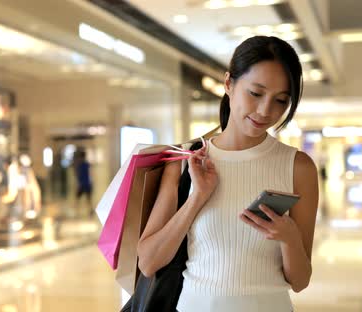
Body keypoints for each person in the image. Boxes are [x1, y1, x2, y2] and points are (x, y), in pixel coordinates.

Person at [136, 36, 319, 311]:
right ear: (228, 84)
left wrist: (289, 237)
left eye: (281, 100)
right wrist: (197, 198)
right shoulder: (186, 161)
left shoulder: (299, 167)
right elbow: (149, 262)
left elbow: (300, 281)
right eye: (255, 94)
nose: (265, 111)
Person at [73, 148, 94, 217]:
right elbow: (90, 174)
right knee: (88, 199)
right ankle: (90, 210)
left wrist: (78, 183)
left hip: (83, 184)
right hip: (87, 184)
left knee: (78, 198)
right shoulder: (87, 164)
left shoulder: (80, 165)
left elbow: (78, 175)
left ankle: (76, 211)